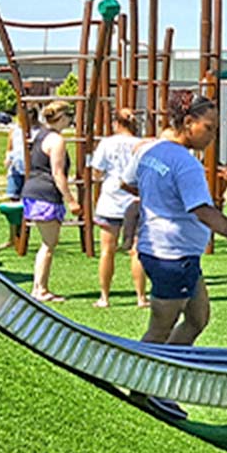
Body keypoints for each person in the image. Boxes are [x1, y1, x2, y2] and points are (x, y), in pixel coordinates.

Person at [136, 96, 227, 345]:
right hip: (173, 256)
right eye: (209, 128)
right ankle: (137, 382)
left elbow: (129, 183)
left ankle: (171, 372)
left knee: (197, 319)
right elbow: (204, 211)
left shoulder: (152, 151)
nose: (212, 136)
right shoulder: (186, 163)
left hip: (165, 251)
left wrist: (159, 201)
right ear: (189, 122)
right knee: (159, 330)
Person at [89, 107, 151, 309]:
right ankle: (141, 297)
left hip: (111, 200)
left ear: (116, 124)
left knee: (107, 250)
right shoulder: (142, 144)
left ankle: (104, 297)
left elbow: (96, 172)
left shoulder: (106, 143)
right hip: (136, 200)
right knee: (137, 251)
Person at [20, 102, 76, 303]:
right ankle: (41, 289)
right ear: (62, 118)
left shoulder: (40, 135)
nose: (71, 120)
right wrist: (71, 200)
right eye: (70, 116)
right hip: (46, 194)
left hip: (33, 192)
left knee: (47, 244)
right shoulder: (57, 140)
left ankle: (38, 287)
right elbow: (58, 173)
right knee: (48, 245)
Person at [4, 114, 30, 254]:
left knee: (27, 203)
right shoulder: (14, 131)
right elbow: (10, 148)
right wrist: (7, 159)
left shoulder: (35, 131)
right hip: (15, 169)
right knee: (13, 202)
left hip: (29, 170)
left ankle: (23, 238)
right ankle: (12, 237)